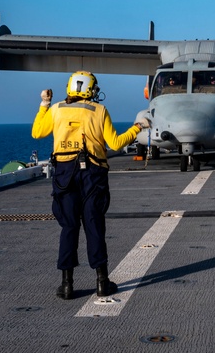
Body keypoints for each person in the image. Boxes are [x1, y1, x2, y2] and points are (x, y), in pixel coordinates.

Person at [32, 71, 150, 300]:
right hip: (92, 174)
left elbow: (37, 132)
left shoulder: (56, 109)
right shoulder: (99, 111)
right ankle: (102, 282)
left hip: (64, 174)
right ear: (90, 89)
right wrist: (137, 128)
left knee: (69, 227)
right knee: (94, 225)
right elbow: (115, 143)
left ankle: (67, 285)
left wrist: (44, 104)